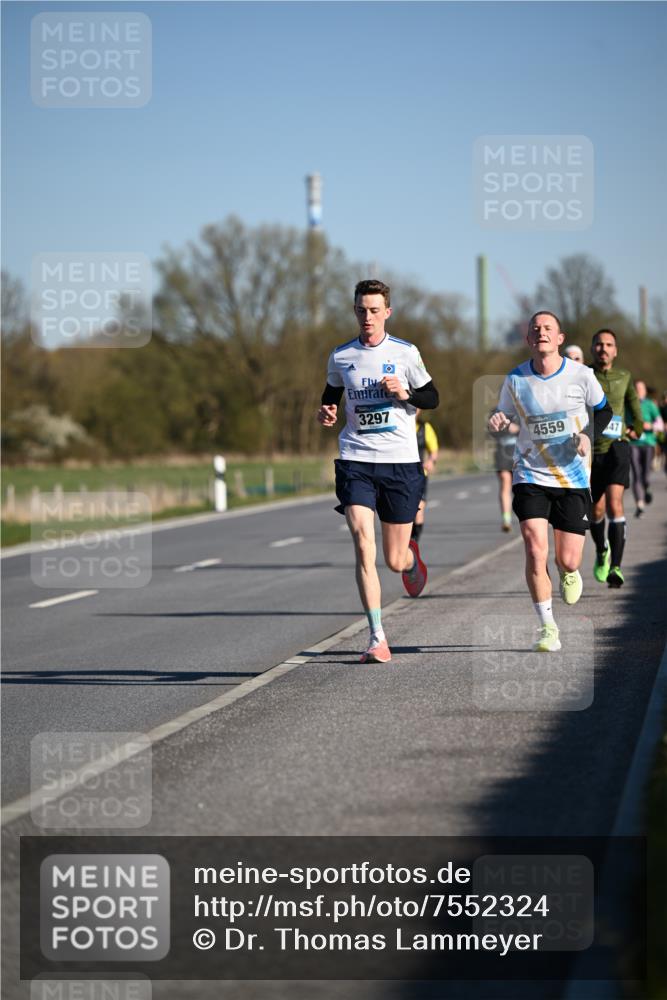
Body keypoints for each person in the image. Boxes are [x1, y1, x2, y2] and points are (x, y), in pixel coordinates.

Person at [317, 279, 439, 664]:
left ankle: (410, 557)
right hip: (356, 460)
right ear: (354, 311)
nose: (366, 317)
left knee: (393, 559)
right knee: (362, 543)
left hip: (401, 463)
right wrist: (327, 411)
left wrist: (405, 393)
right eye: (360, 310)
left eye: (373, 310)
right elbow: (330, 393)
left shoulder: (405, 353)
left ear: (387, 312)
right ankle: (376, 636)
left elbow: (432, 397)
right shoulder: (341, 356)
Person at [488, 311, 612, 652]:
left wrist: (588, 435)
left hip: (572, 477)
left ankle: (568, 571)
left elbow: (604, 410)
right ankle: (547, 627)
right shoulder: (516, 379)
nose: (541, 333)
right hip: (530, 473)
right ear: (528, 339)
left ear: (559, 338)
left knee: (569, 558)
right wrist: (499, 418)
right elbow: (504, 414)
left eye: (547, 329)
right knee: (534, 546)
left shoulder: (581, 375)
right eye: (535, 329)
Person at [589, 329, 643, 588]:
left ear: (615, 350)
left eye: (609, 344)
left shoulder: (624, 376)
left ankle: (616, 567)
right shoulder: (584, 376)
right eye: (599, 344)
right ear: (592, 349)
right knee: (596, 509)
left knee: (615, 504)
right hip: (590, 450)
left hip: (618, 447)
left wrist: (638, 427)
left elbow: (634, 405)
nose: (603, 349)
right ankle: (601, 550)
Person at [629, 380, 662, 516]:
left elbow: (660, 424)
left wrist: (651, 426)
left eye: (641, 388)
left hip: (648, 442)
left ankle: (647, 488)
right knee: (636, 474)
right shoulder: (629, 404)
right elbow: (623, 420)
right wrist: (628, 430)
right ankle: (640, 504)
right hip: (633, 443)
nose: (639, 391)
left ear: (645, 391)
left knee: (645, 476)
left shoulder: (650, 405)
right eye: (636, 388)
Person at [412, 410, 439, 543]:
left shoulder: (425, 428)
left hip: (420, 474)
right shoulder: (398, 426)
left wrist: (430, 461)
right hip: (399, 474)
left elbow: (433, 450)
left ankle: (414, 541)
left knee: (418, 510)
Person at [489, 416, 520, 532]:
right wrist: (496, 428)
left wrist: (518, 429)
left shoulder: (522, 407)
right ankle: (506, 520)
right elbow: (490, 431)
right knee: (505, 482)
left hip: (521, 453)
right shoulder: (496, 412)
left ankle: (532, 517)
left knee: (520, 487)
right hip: (502, 453)